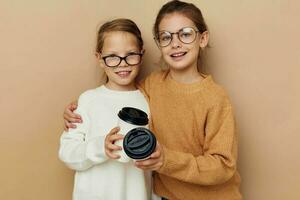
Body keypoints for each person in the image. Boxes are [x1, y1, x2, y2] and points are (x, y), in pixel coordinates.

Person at [63, 1, 242, 199]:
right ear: (158, 43)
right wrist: (77, 108)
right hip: (164, 195)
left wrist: (167, 160)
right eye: (166, 37)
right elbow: (117, 96)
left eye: (185, 34)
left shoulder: (216, 98)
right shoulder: (152, 86)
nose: (175, 43)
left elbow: (224, 166)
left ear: (203, 38)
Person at [59, 18, 158, 200]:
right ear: (100, 59)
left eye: (131, 54)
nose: (123, 63)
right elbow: (67, 153)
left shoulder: (149, 100)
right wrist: (100, 147)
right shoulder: (88, 100)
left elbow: (155, 166)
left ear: (141, 54)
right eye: (112, 56)